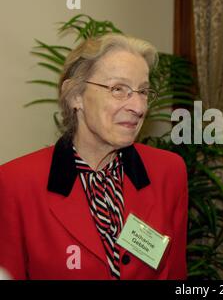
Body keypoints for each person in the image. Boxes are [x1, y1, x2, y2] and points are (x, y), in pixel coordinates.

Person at [0, 33, 188, 280]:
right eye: (118, 89)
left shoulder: (168, 171)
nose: (139, 107)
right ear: (75, 95)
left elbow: (174, 273)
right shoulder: (15, 183)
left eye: (142, 91)